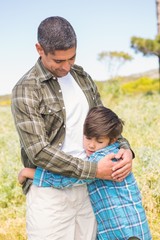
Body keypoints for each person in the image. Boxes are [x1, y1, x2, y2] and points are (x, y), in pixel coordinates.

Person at [11, 16, 134, 240]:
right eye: (59, 61)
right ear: (40, 49)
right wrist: (95, 170)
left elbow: (103, 123)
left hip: (91, 190)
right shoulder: (26, 89)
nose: (67, 66)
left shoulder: (83, 77)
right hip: (50, 196)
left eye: (72, 57)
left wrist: (126, 149)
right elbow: (38, 151)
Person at [18, 106, 152, 240]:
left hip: (125, 231)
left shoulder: (104, 158)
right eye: (88, 138)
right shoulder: (115, 151)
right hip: (127, 227)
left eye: (99, 141)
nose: (91, 145)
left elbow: (67, 179)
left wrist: (28, 172)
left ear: (113, 140)